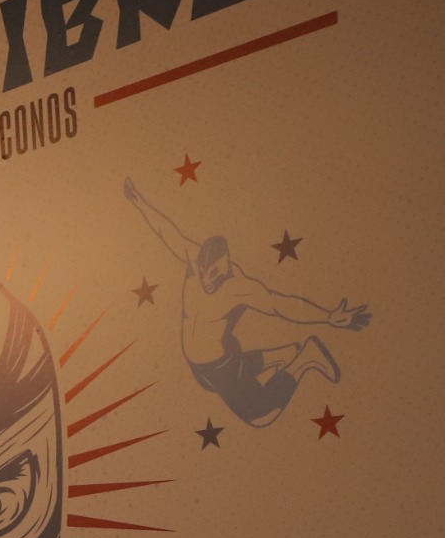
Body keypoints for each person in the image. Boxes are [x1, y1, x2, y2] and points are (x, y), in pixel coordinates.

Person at [124, 178, 371, 428]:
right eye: (203, 271)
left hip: (221, 366)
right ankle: (281, 354)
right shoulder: (193, 260)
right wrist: (139, 202)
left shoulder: (239, 288)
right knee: (235, 374)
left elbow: (280, 305)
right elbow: (166, 230)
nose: (207, 280)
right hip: (200, 368)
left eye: (214, 273)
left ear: (225, 263)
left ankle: (306, 357)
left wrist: (328, 316)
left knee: (260, 414)